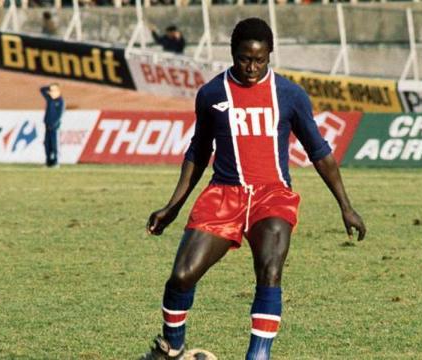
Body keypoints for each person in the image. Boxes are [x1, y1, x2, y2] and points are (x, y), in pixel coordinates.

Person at [142, 17, 366, 360]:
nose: (251, 67)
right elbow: (198, 152)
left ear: (270, 55)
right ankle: (172, 348)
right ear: (233, 53)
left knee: (270, 270)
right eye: (245, 58)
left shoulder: (290, 95)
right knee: (181, 277)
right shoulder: (212, 94)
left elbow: (320, 153)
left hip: (272, 196)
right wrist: (172, 206)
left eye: (260, 59)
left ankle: (257, 356)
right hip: (223, 195)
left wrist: (345, 206)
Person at [40, 83, 64, 168]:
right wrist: (49, 87)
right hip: (47, 124)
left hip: (54, 127)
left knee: (54, 145)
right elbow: (42, 90)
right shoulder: (49, 99)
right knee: (47, 144)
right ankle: (48, 162)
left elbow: (59, 114)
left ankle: (56, 162)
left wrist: (54, 124)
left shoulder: (60, 101)